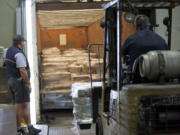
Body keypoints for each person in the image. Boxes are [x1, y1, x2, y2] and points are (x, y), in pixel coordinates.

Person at [5, 35, 41, 135]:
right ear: (20, 43)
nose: (24, 43)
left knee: (21, 105)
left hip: (11, 80)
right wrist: (27, 83)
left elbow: (6, 64)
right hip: (19, 82)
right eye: (23, 42)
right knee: (22, 106)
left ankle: (26, 127)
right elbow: (22, 70)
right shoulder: (19, 53)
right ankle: (22, 128)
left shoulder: (9, 51)